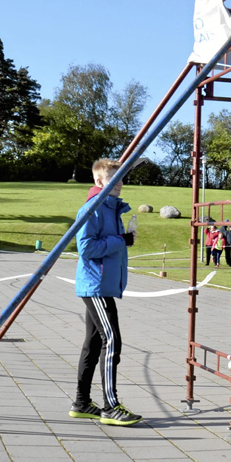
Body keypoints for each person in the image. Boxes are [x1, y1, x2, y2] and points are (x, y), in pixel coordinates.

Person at [71, 158, 142, 426]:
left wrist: (123, 241)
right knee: (112, 341)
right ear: (99, 181)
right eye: (114, 178)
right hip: (95, 286)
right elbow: (86, 248)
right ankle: (110, 406)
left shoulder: (111, 209)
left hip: (103, 285)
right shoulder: (94, 208)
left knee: (94, 343)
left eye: (122, 177)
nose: (120, 183)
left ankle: (81, 402)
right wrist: (120, 241)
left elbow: (108, 245)